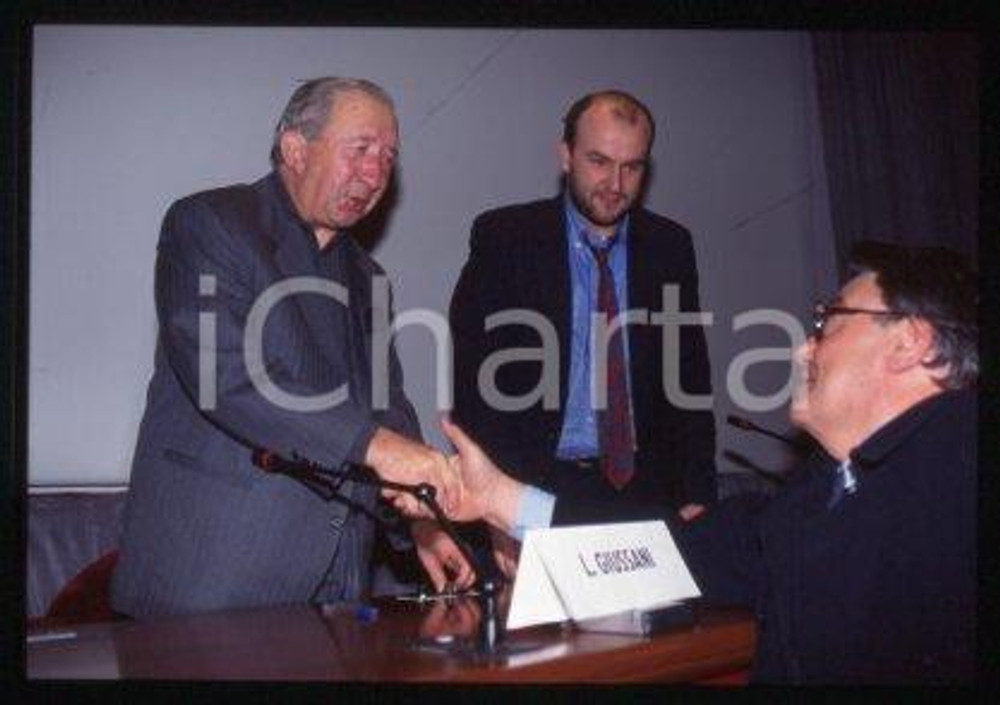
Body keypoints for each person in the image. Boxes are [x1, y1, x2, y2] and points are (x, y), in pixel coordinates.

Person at [440, 240, 977, 684]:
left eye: (828, 323)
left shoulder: (959, 469)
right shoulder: (815, 496)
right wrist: (502, 499)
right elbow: (664, 553)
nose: (802, 349)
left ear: (910, 342)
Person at [111, 78, 472, 619]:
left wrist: (421, 522)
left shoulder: (369, 276)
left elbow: (387, 410)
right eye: (360, 150)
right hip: (214, 578)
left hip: (340, 588)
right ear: (294, 148)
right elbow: (230, 379)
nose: (375, 174)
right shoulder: (209, 224)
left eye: (388, 157)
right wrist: (378, 447)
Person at [449, 90, 717, 571]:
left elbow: (690, 379)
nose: (615, 183)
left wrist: (697, 490)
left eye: (632, 167)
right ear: (566, 154)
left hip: (643, 488)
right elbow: (475, 387)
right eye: (599, 161)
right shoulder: (505, 237)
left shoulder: (670, 246)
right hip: (532, 485)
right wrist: (493, 505)